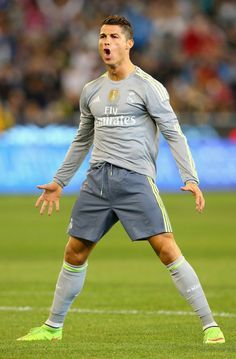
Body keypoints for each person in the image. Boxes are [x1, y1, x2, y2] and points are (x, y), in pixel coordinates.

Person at [17, 15, 225, 344]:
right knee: (74, 252)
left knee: (167, 250)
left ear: (129, 43)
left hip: (134, 180)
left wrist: (191, 177)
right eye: (102, 36)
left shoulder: (149, 87)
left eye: (113, 36)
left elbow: (174, 133)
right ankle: (52, 328)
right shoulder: (91, 91)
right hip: (96, 181)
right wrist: (60, 181)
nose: (106, 42)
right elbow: (82, 140)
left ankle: (210, 325)